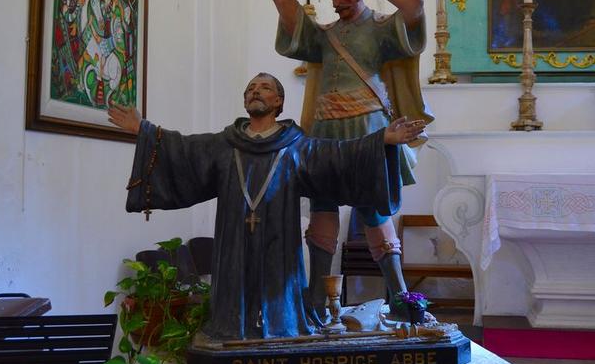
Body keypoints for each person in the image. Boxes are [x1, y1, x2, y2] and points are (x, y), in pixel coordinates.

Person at [108, 73, 426, 341]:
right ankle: (229, 327)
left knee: (282, 313)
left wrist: (382, 139)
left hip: (279, 243)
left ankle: (283, 325)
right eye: (250, 89)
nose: (255, 91)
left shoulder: (297, 146)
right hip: (234, 243)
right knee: (229, 320)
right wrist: (144, 131)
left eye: (264, 88)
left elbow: (339, 155)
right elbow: (186, 151)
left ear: (278, 102)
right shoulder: (224, 144)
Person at [271, 0, 433, 323]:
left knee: (374, 209)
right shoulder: (322, 36)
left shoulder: (380, 28)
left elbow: (414, 5)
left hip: (370, 130)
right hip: (325, 130)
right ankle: (315, 300)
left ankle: (400, 297)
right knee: (322, 207)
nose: (337, 1)